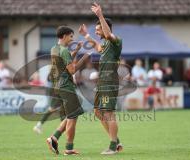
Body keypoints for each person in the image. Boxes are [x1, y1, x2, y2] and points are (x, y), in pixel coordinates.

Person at [79, 2, 123, 155]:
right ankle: (116, 141)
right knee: (98, 112)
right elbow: (97, 46)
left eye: (98, 30)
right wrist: (86, 35)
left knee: (109, 113)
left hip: (109, 83)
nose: (97, 32)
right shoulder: (105, 45)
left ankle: (113, 147)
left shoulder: (115, 41)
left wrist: (100, 15)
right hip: (102, 83)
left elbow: (108, 34)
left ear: (106, 28)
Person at [46, 26, 91, 156]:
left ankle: (54, 138)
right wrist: (84, 58)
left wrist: (76, 50)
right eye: (71, 36)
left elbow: (65, 61)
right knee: (72, 117)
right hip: (66, 87)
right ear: (65, 36)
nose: (72, 39)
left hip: (58, 86)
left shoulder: (54, 48)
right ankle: (68, 148)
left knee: (71, 115)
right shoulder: (64, 50)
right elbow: (72, 70)